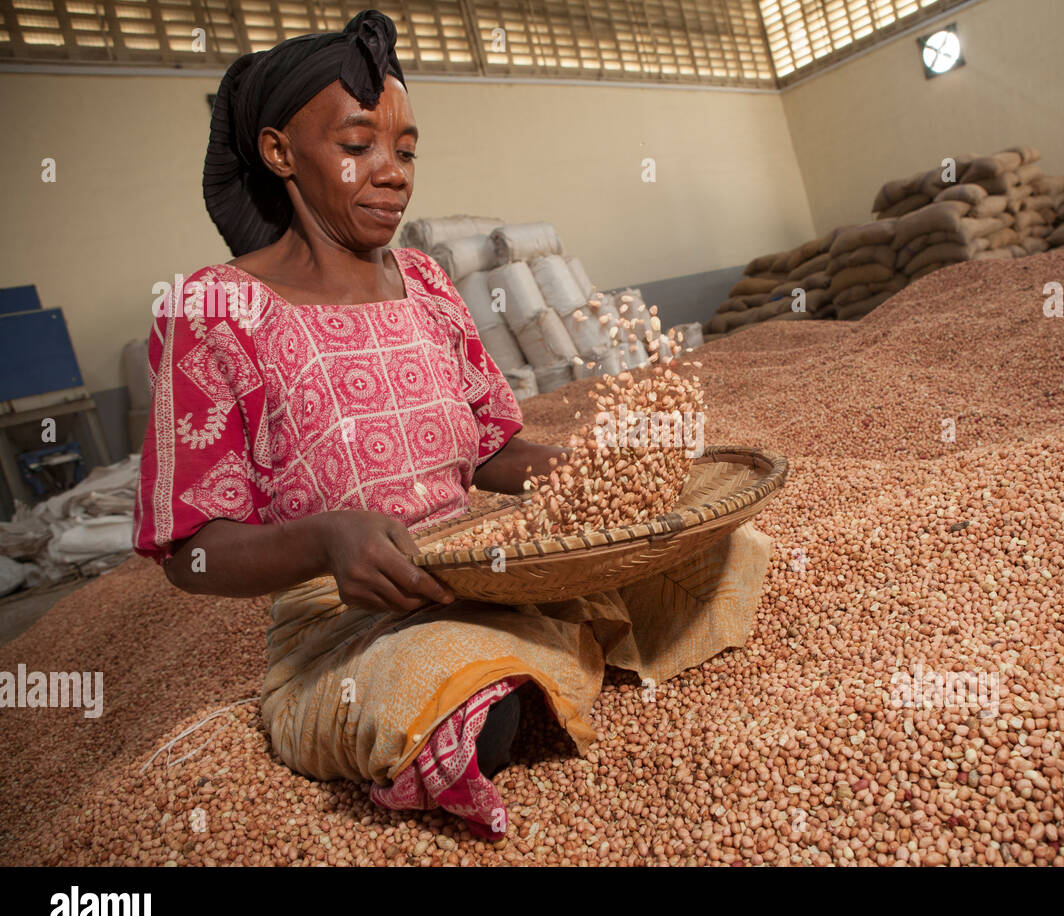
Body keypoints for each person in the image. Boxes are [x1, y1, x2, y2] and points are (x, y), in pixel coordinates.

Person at [134, 9, 772, 840]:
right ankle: (503, 679)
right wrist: (328, 540)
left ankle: (521, 656)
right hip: (346, 621)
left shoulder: (428, 284)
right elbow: (192, 551)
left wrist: (604, 474)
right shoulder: (214, 310)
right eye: (357, 145)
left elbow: (490, 449)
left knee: (720, 553)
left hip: (483, 567)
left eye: (405, 150)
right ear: (279, 152)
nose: (392, 172)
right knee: (468, 707)